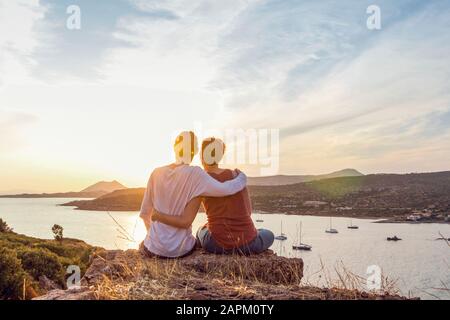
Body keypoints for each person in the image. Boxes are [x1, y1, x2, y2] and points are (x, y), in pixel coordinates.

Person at [152, 137, 274, 255]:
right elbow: (248, 212)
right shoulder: (236, 176)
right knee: (268, 233)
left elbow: (186, 219)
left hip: (217, 244)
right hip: (248, 244)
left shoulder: (200, 181)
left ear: (201, 156)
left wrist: (159, 215)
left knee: (201, 230)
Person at [139, 132, 248, 258]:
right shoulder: (196, 174)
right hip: (181, 250)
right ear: (195, 151)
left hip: (153, 248)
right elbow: (225, 189)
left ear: (175, 147)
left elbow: (145, 214)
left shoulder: (156, 173)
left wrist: (156, 240)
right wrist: (242, 178)